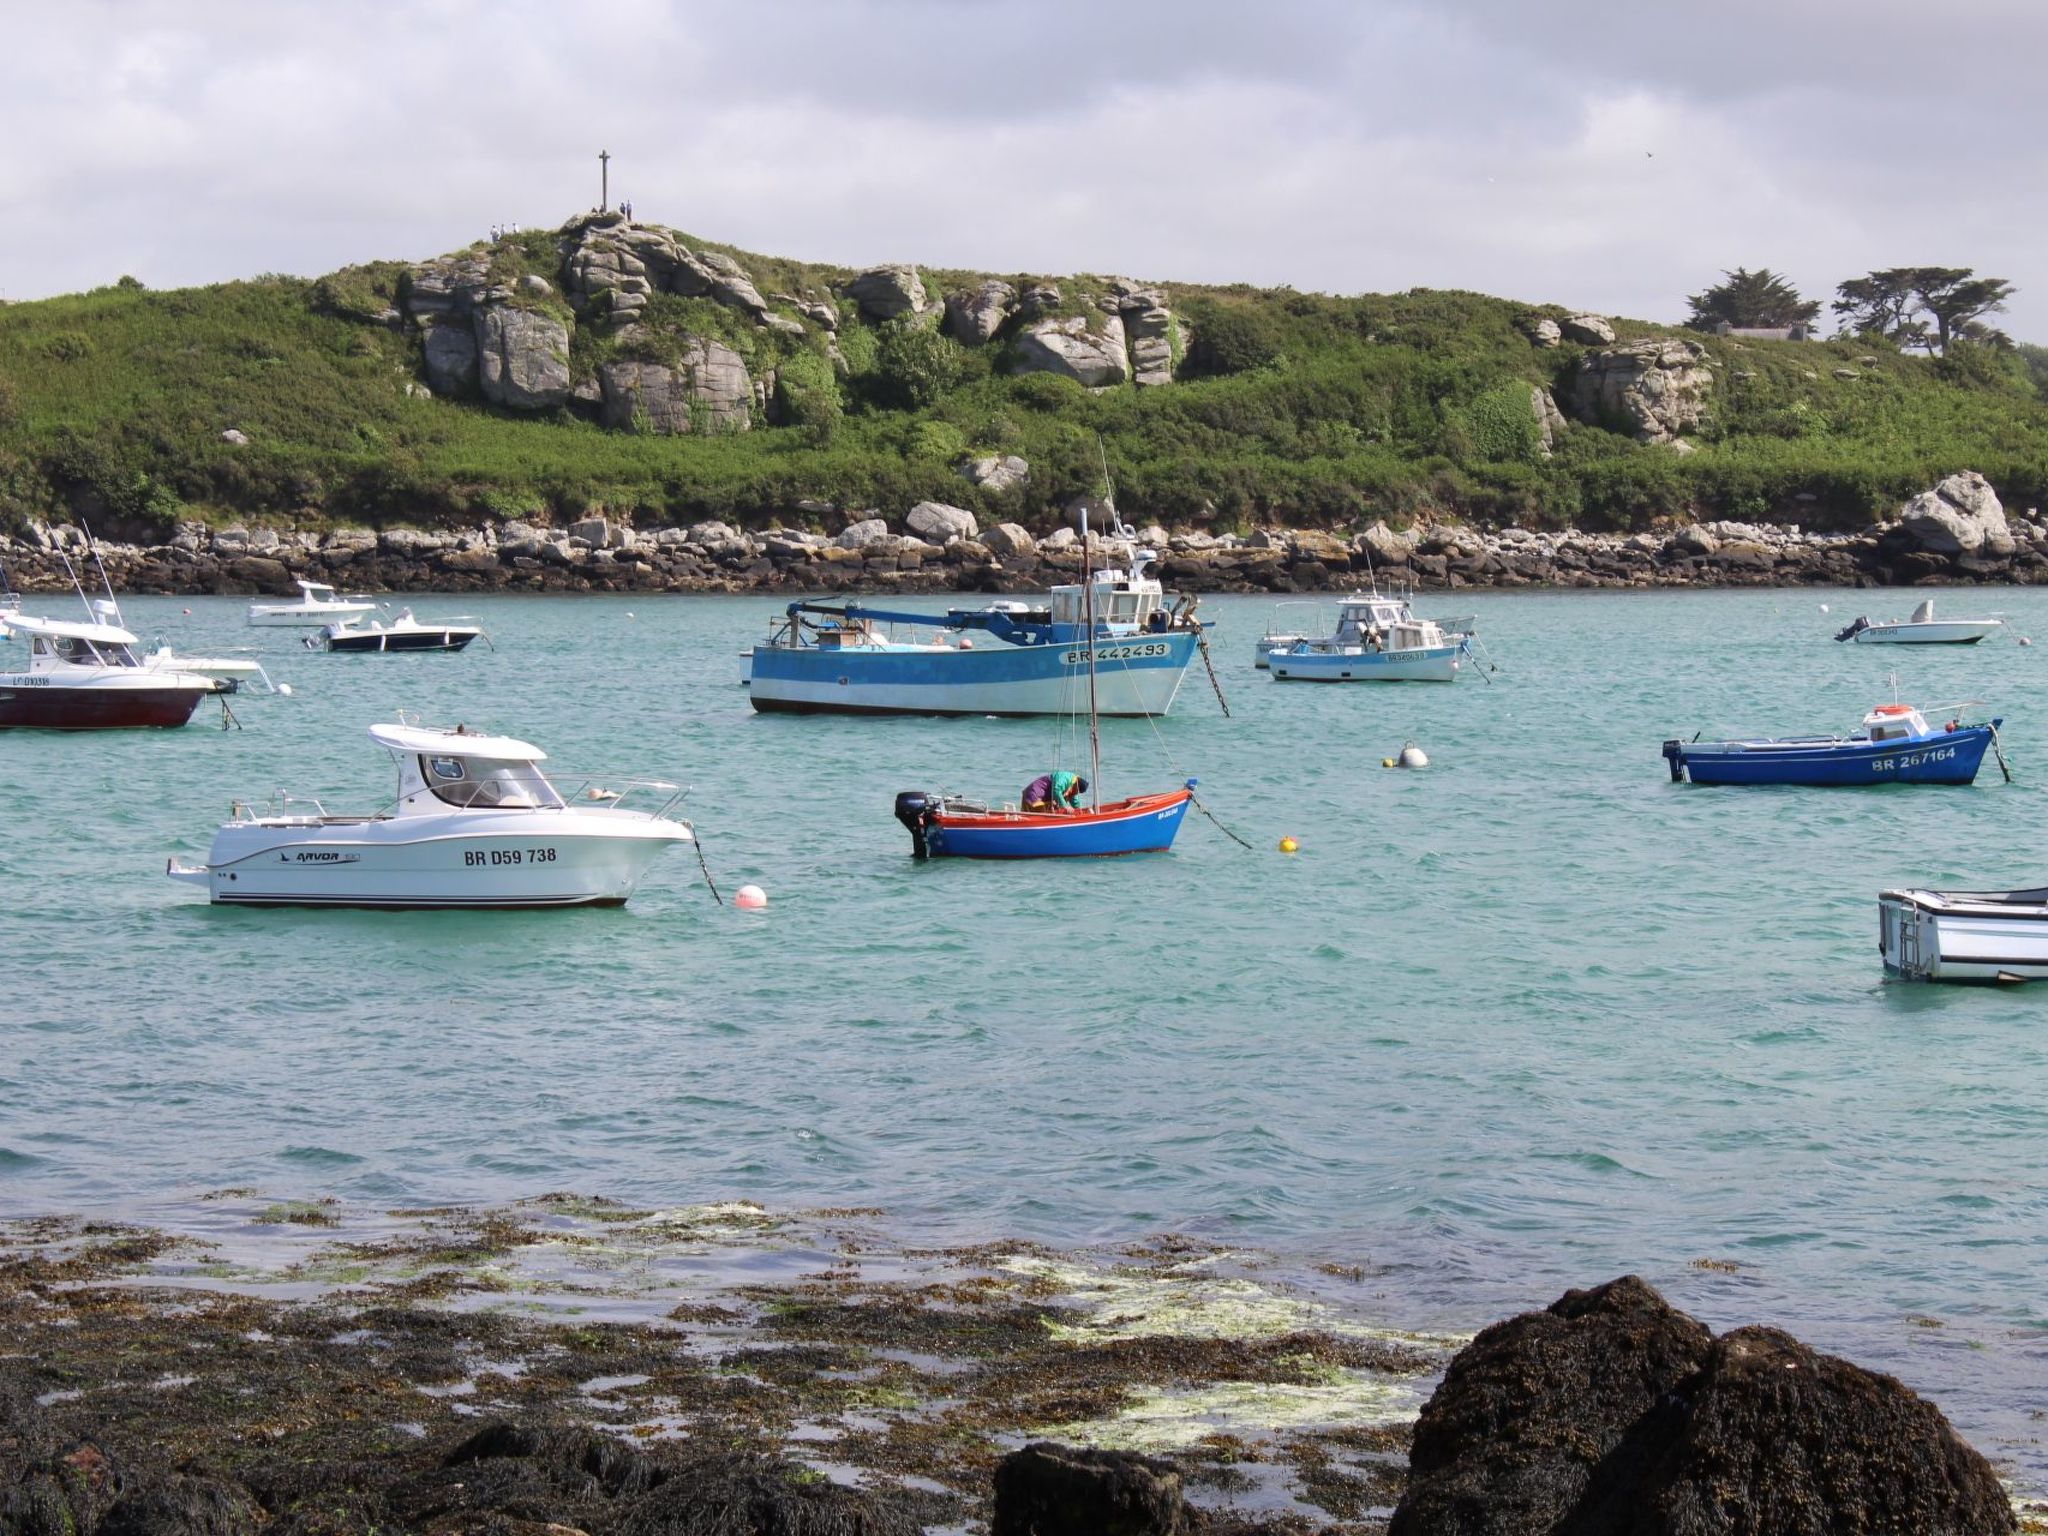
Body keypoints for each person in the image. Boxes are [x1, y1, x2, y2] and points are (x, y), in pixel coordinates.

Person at [1021, 771, 1088, 813]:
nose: (1076, 793)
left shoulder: (1074, 785)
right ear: (1076, 784)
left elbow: (1074, 801)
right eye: (1077, 791)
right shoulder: (1065, 778)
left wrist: (1080, 811)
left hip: (1045, 799)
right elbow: (1056, 790)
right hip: (1035, 794)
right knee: (1032, 816)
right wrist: (1065, 806)